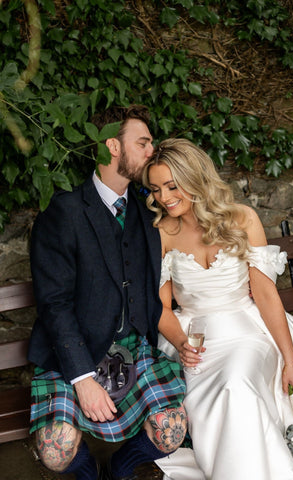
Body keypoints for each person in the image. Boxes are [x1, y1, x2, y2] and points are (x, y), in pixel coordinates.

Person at [142, 137, 293, 480]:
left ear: (193, 178)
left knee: (236, 383)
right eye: (155, 189)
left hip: (248, 329)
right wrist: (181, 344)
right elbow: (161, 308)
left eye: (171, 185)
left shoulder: (242, 218)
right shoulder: (162, 231)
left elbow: (265, 293)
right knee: (218, 392)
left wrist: (290, 358)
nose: (163, 197)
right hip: (194, 338)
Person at [28, 106, 187, 480]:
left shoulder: (150, 211)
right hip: (78, 352)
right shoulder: (65, 211)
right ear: (113, 146)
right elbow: (54, 304)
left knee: (172, 429)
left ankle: (121, 467)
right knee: (56, 448)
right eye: (143, 142)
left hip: (133, 351)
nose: (152, 151)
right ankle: (90, 475)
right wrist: (82, 378)